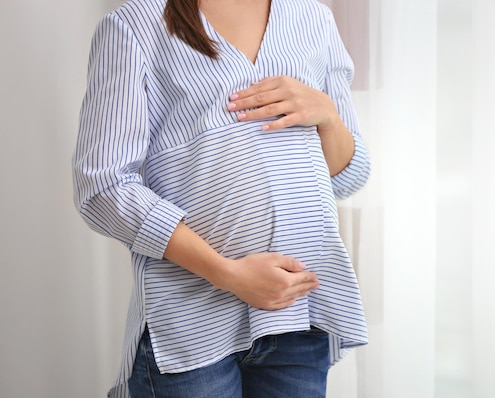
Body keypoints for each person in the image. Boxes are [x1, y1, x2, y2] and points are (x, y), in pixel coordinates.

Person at [72, 0, 371, 396]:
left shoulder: (312, 17)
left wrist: (328, 115)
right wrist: (227, 274)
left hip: (299, 311)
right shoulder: (135, 26)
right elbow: (103, 187)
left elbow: (347, 175)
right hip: (193, 321)